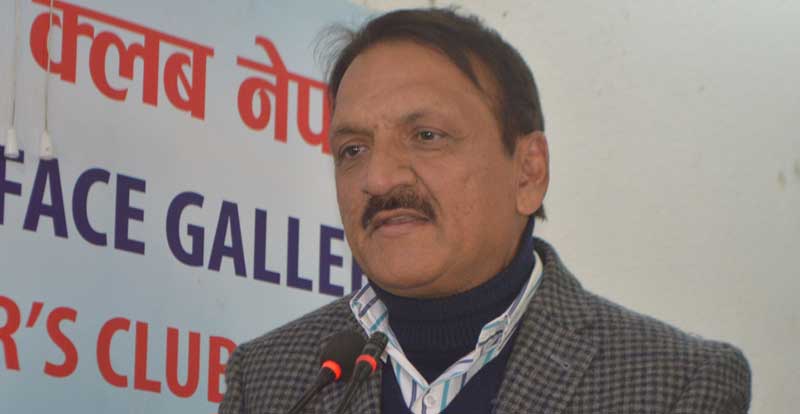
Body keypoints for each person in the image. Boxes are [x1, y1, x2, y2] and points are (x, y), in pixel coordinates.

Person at [219, 8, 751, 414]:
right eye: (352, 149)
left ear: (528, 173)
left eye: (426, 136)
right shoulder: (268, 380)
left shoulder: (674, 385)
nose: (378, 179)